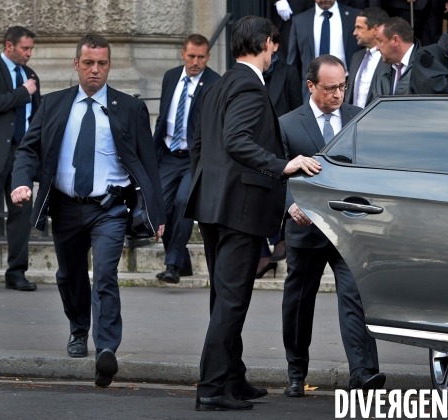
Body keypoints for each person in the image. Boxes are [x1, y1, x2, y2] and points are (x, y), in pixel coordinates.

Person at [10, 34, 165, 387]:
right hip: (66, 207)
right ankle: (79, 329)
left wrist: (158, 214)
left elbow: (147, 164)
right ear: (76, 64)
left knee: (106, 275)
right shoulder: (52, 104)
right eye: (88, 63)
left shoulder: (129, 107)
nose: (95, 70)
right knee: (70, 275)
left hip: (109, 209)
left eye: (102, 63)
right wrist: (21, 181)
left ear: (109, 65)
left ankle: (106, 348)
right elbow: (29, 150)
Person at [184, 16, 321, 411]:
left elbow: (199, 145)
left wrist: (209, 189)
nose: (275, 50)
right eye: (274, 44)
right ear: (265, 43)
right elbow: (236, 141)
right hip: (238, 208)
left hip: (214, 205)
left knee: (224, 297)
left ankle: (233, 378)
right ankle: (211, 388)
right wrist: (284, 165)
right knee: (231, 300)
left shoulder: (219, 83)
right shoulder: (247, 84)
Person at [279, 54, 385, 398]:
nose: (339, 94)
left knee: (356, 299)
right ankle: (296, 372)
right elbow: (273, 173)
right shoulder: (288, 124)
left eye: (343, 86)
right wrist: (290, 204)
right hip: (305, 227)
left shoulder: (359, 118)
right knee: (299, 304)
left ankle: (363, 372)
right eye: (331, 88)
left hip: (348, 229)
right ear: (311, 86)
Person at [152, 34, 220, 284]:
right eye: (191, 56)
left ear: (208, 57)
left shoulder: (214, 82)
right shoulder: (170, 77)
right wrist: (151, 152)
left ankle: (172, 265)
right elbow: (163, 117)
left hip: (195, 158)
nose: (195, 62)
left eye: (201, 57)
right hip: (168, 154)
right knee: (162, 206)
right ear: (183, 54)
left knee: (183, 202)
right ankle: (184, 263)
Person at [256, 25, 304, 278]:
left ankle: (280, 242)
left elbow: (297, 108)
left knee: (278, 193)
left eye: (272, 42)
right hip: (256, 148)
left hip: (280, 145)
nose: (268, 47)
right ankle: (264, 253)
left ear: (276, 45)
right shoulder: (253, 74)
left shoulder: (288, 72)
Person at [0, 26, 40, 292]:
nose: (29, 54)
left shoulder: (30, 74)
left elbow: (38, 115)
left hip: (21, 156)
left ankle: (16, 272)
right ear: (9, 46)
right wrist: (24, 92)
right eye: (25, 48)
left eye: (31, 48)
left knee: (22, 215)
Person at [287, 0, 362, 98]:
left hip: (347, 87)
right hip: (312, 89)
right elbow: (293, 61)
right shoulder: (300, 20)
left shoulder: (354, 16)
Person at [345, 7, 390, 107]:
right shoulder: (356, 57)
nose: (354, 32)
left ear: (375, 29)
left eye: (359, 27)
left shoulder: (390, 59)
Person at [371, 16, 419, 96]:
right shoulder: (381, 71)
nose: (377, 48)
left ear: (396, 40)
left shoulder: (425, 67)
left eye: (380, 41)